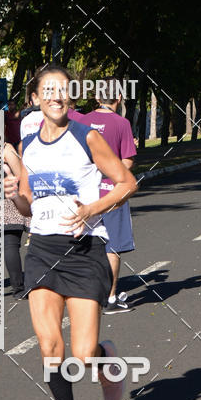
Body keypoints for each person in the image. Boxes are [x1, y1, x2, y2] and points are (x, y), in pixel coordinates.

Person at [4, 64, 137, 400]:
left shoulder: (87, 137)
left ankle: (104, 357)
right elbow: (28, 207)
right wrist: (14, 194)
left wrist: (90, 209)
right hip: (43, 249)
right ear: (35, 98)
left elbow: (128, 183)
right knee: (49, 345)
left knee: (80, 354)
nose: (56, 97)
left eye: (63, 90)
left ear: (71, 96)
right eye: (48, 90)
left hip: (84, 251)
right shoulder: (28, 143)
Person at [76, 89, 137, 315]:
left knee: (84, 242)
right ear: (119, 98)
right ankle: (110, 298)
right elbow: (127, 163)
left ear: (97, 98)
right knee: (112, 246)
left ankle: (83, 296)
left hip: (84, 193)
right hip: (112, 192)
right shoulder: (122, 123)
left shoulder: (81, 121)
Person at [3, 141, 26, 298]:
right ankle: (18, 287)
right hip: (7, 200)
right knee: (10, 244)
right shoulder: (5, 149)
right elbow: (20, 174)